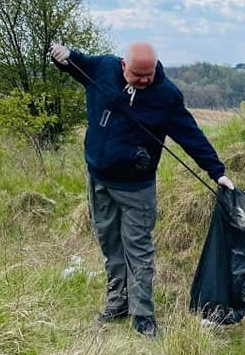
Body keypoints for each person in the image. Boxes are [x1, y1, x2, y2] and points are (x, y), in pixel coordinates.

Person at [49, 41, 235, 338]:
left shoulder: (166, 95)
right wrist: (62, 57)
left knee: (138, 250)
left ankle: (143, 315)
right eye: (138, 74)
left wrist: (217, 172)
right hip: (99, 180)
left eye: (149, 74)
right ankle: (117, 304)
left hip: (137, 188)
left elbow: (190, 134)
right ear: (124, 66)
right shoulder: (105, 68)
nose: (145, 80)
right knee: (110, 245)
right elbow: (76, 62)